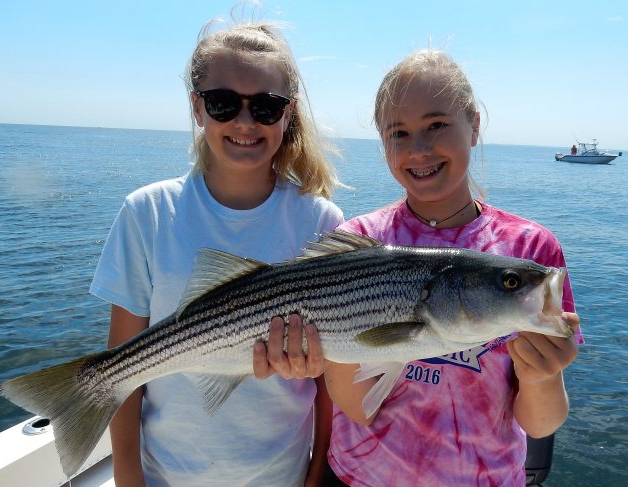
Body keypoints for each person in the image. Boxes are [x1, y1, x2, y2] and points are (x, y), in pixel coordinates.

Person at [89, 11, 343, 487]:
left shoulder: (321, 221)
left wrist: (315, 475)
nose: (245, 122)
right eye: (224, 103)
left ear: (287, 114)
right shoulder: (147, 213)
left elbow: (329, 383)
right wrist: (128, 478)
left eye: (266, 107)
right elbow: (121, 367)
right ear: (196, 108)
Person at [320, 49, 583, 486]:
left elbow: (541, 424)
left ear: (474, 125)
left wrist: (544, 374)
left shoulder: (531, 249)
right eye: (398, 133)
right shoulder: (358, 242)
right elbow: (358, 408)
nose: (418, 149)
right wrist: (333, 337)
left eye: (437, 125)